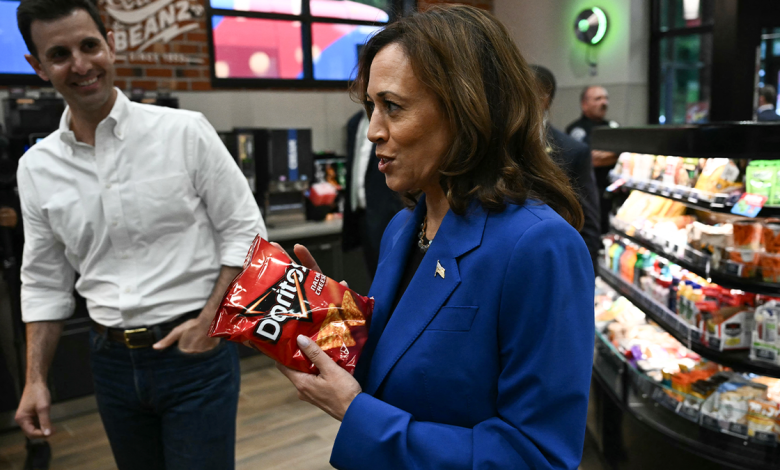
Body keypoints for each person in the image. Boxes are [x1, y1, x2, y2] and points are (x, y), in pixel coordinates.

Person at [278, 6, 594, 469]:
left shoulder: (540, 247)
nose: (373, 131)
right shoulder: (403, 228)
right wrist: (332, 322)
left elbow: (537, 455)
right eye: (370, 107)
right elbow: (396, 368)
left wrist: (355, 413)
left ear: (467, 107)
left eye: (393, 107)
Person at [13, 1, 266, 469]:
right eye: (60, 54)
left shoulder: (184, 133)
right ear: (39, 66)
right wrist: (35, 379)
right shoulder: (36, 168)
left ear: (111, 43)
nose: (81, 65)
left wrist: (211, 323)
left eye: (90, 45)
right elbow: (44, 281)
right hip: (108, 362)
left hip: (195, 356)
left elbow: (246, 235)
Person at [532, 65, 601, 271]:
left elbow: (587, 221)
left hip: (553, 264)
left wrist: (584, 276)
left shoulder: (572, 150)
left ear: (544, 97)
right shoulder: (497, 144)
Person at [342, 110, 404, 278]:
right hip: (361, 215)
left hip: (388, 214)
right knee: (374, 280)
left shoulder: (393, 118)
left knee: (392, 279)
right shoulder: (354, 122)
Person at [566, 85, 619, 234]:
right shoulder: (576, 129)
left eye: (606, 98)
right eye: (598, 99)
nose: (604, 103)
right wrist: (615, 155)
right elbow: (591, 160)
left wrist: (612, 155)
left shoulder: (613, 127)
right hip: (588, 195)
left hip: (613, 194)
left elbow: (626, 154)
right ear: (585, 104)